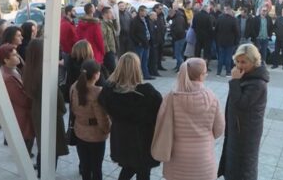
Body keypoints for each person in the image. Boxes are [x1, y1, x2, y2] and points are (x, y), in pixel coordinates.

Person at [156, 58, 224, 180]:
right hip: (203, 159)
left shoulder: (171, 97)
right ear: (201, 76)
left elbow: (161, 124)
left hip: (177, 158)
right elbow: (219, 130)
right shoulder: (212, 97)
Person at [98, 52, 162, 180]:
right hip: (142, 140)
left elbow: (103, 104)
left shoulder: (109, 92)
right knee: (142, 171)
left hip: (122, 138)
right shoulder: (147, 94)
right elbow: (159, 113)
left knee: (128, 167)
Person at [218, 43, 269, 180]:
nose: (240, 65)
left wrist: (234, 82)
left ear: (253, 62)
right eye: (238, 61)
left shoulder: (258, 83)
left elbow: (241, 104)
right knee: (234, 164)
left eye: (244, 62)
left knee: (244, 167)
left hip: (246, 133)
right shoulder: (246, 76)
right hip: (238, 129)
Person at [22, 38, 69, 178]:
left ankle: (42, 174)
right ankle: (46, 175)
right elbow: (57, 96)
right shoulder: (45, 71)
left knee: (44, 146)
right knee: (52, 148)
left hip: (37, 110)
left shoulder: (28, 68)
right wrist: (63, 110)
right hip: (49, 112)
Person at [70, 59, 111, 180]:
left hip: (79, 131)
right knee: (96, 168)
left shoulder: (74, 87)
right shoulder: (97, 92)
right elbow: (102, 119)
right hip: (96, 136)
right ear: (95, 75)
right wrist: (107, 130)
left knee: (85, 166)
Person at [0, 44, 35, 156]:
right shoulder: (8, 78)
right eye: (14, 55)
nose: (17, 56)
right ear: (6, 60)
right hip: (22, 117)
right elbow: (23, 101)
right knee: (26, 144)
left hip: (23, 115)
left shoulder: (13, 69)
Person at [130, 5, 154, 80]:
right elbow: (132, 33)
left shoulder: (146, 19)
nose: (146, 13)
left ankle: (146, 75)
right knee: (138, 61)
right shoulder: (135, 21)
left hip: (146, 43)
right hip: (139, 44)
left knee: (145, 60)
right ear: (140, 11)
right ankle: (137, 76)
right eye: (145, 11)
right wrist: (138, 42)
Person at [215, 6, 240, 76]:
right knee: (228, 57)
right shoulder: (233, 20)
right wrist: (236, 41)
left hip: (220, 41)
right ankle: (228, 72)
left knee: (221, 57)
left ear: (225, 11)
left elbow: (216, 30)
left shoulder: (219, 19)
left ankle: (218, 72)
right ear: (230, 11)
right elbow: (237, 32)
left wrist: (217, 39)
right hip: (230, 42)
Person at [101, 6, 117, 74]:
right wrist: (107, 50)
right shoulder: (102, 24)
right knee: (111, 69)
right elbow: (103, 37)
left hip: (112, 49)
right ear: (105, 14)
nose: (112, 14)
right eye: (111, 13)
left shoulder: (109, 23)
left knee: (112, 69)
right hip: (108, 51)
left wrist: (114, 20)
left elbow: (115, 32)